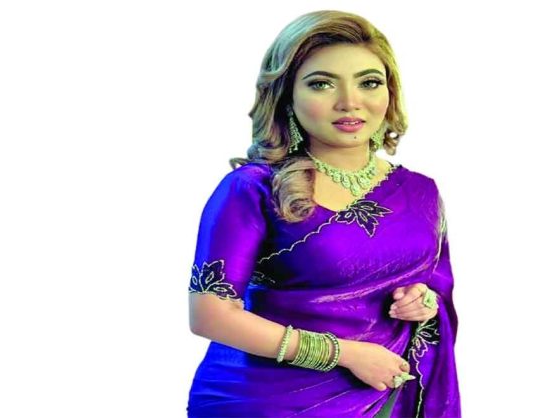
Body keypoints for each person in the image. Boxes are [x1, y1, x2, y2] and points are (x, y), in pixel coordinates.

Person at [186, 10, 461, 418]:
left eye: (369, 82)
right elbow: (209, 315)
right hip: (266, 402)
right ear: (287, 95)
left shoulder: (420, 192)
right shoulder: (254, 188)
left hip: (388, 393)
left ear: (390, 92)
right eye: (321, 83)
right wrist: (344, 354)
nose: (349, 102)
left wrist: (423, 302)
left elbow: (434, 286)